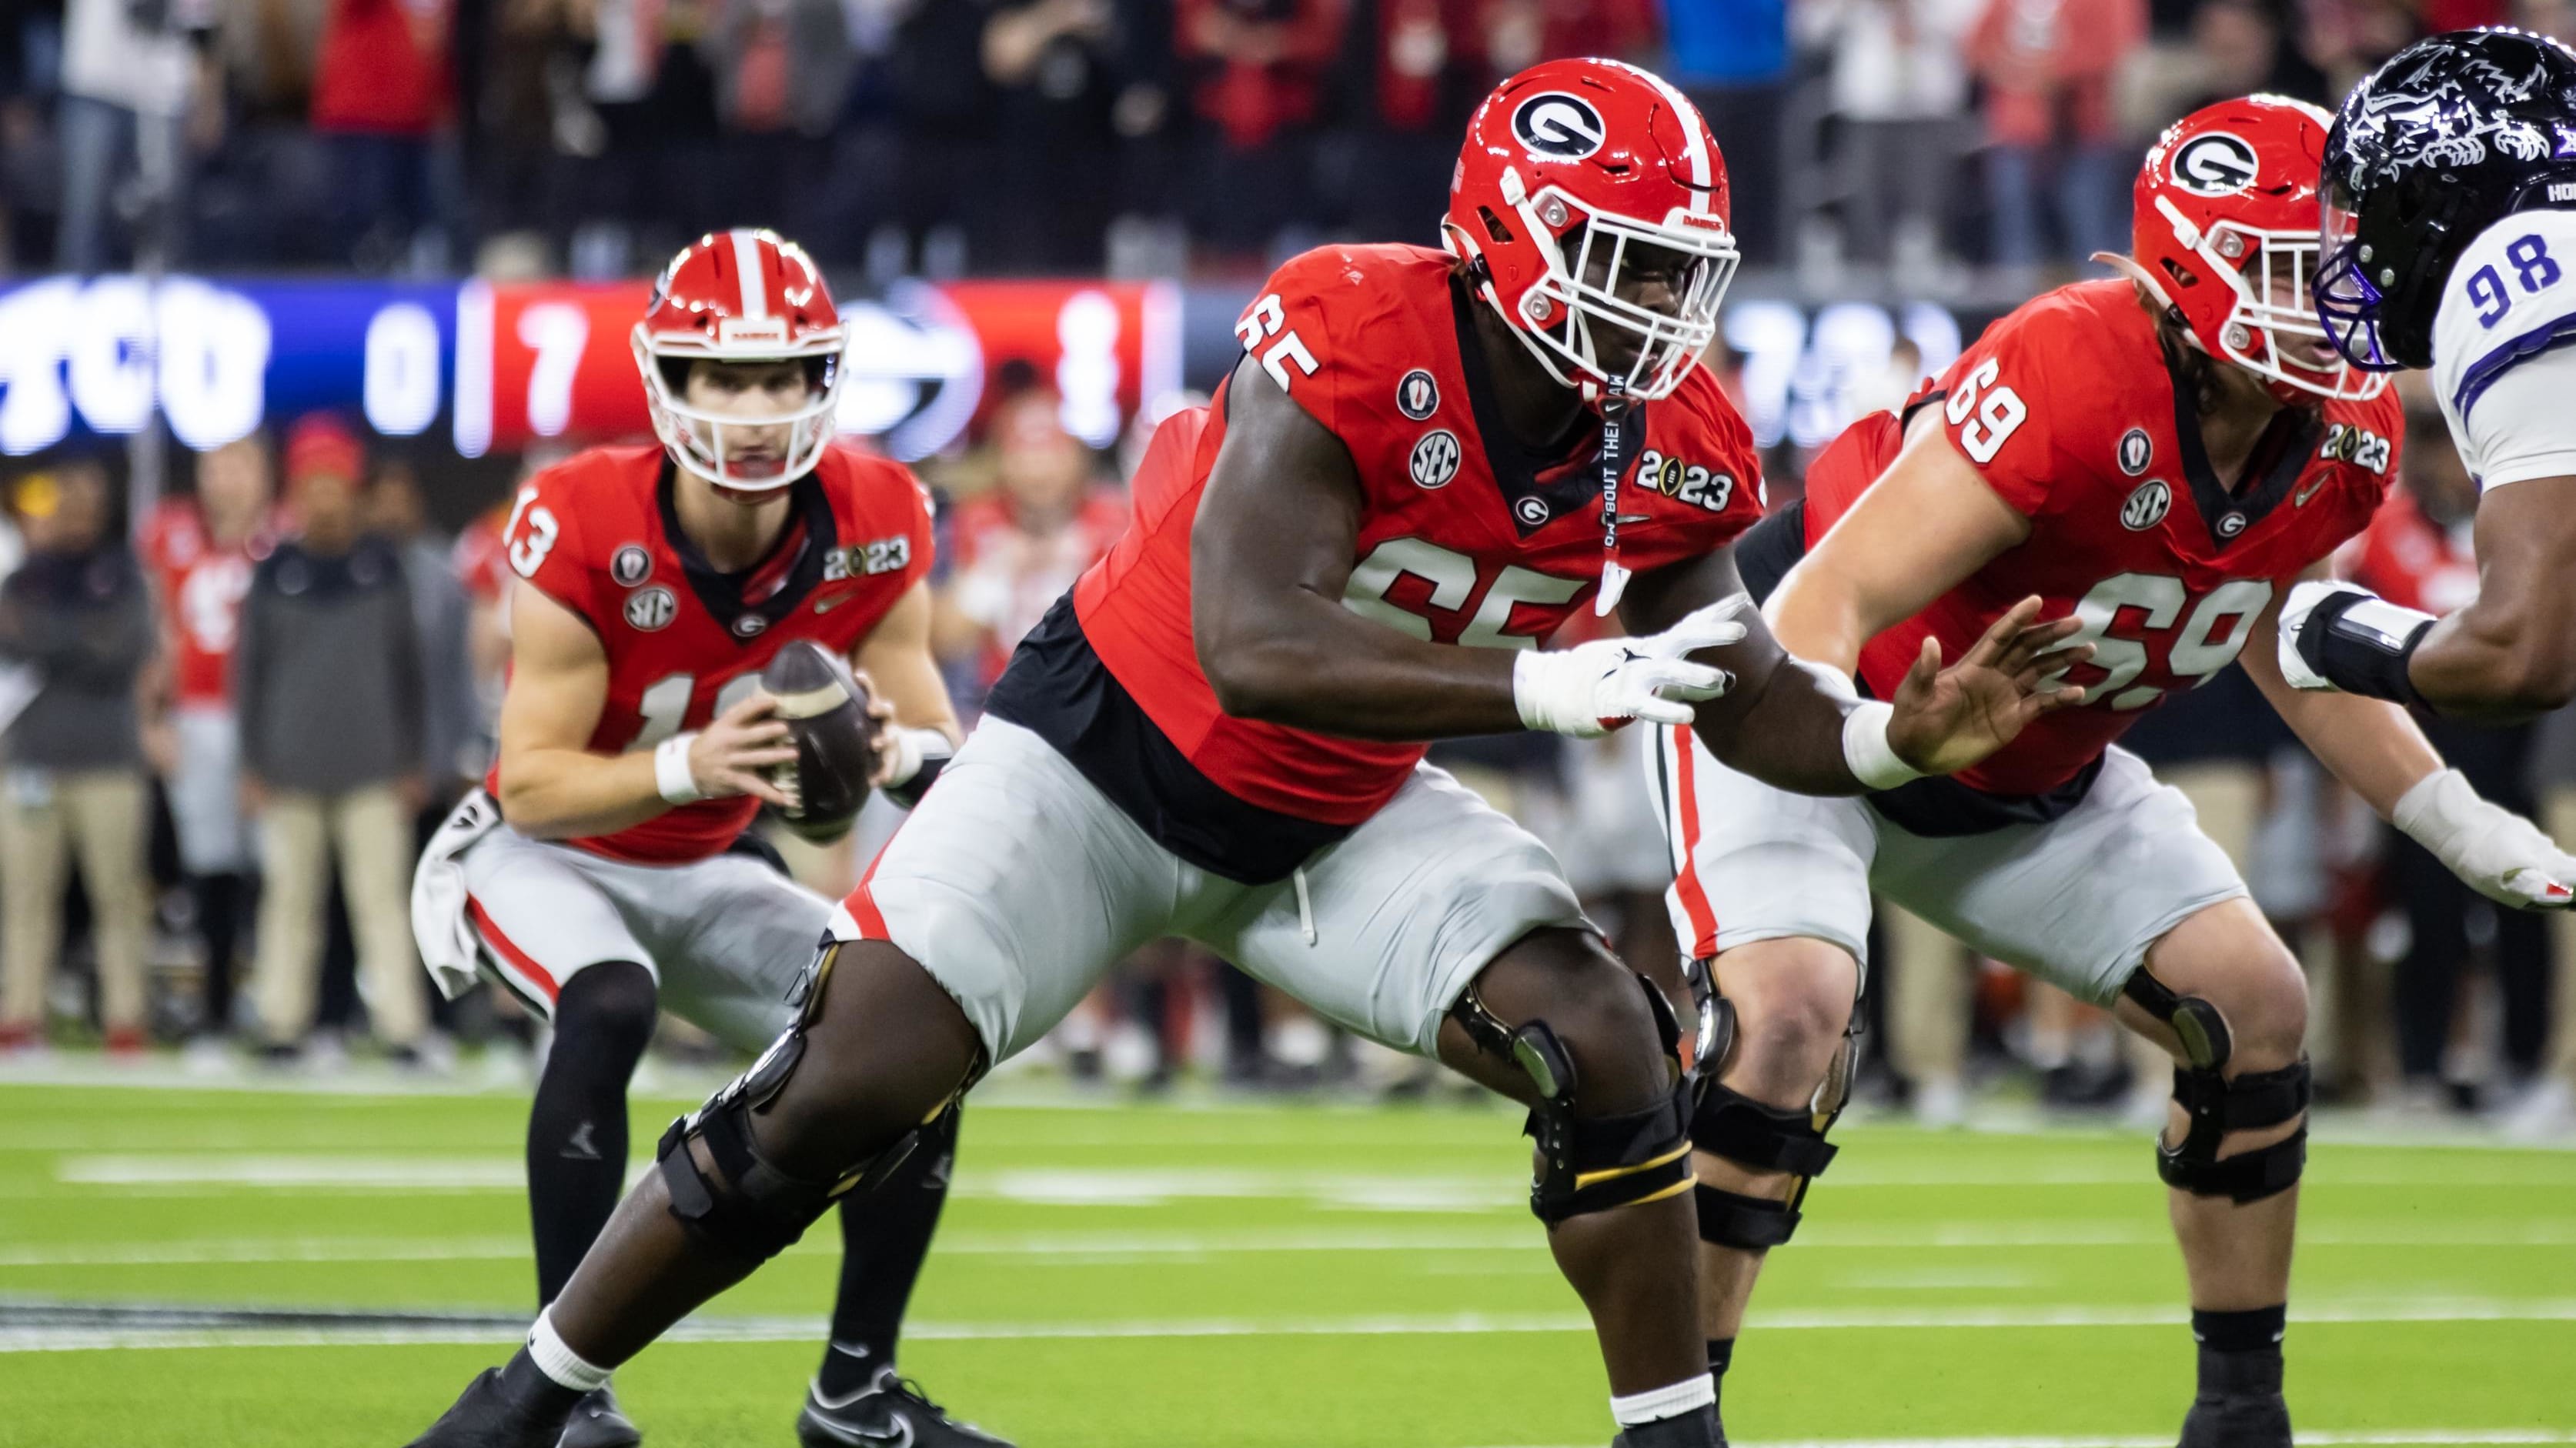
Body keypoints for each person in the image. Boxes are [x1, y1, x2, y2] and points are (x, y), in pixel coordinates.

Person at [406, 59, 2084, 1448]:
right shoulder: (1350, 327)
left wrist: (1878, 734)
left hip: (1331, 820)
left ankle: (1670, 1433)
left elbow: (1731, 678)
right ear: (1501, 234)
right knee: (838, 1087)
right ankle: (527, 1397)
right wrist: (1547, 680)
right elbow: (1256, 640)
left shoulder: (1672, 435)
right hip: (1103, 759)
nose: (1651, 302)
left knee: (1605, 1039)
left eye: (1671, 265)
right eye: (1614, 254)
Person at [1653, 95, 2576, 1448]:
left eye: (2339, 261)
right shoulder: (2075, 367)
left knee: (2258, 1009)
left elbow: (2279, 633)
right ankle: (1678, 1420)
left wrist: (2453, 818)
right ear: (2193, 269)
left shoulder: (2348, 429)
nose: (2329, 299)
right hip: (1813, 722)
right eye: (2285, 267)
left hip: (2030, 770)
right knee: (1788, 1018)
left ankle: (2240, 1416)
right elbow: (1820, 603)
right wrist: (1875, 743)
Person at [406, 230, 1002, 1448]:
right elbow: (530, 785)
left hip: (708, 864)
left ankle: (855, 1386)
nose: (753, 408)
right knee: (612, 1001)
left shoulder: (877, 510)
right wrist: (693, 761)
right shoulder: (583, 512)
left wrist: (889, 747)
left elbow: (934, 744)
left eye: (781, 377)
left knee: (915, 1035)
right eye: (723, 377)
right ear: (667, 382)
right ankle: (567, 1392)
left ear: (823, 381)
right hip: (539, 855)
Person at [2290, 28, 2576, 726]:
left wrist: (2328, 635)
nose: (2357, 249)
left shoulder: (2521, 263)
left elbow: (2518, 657)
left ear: (2436, 197)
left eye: (2375, 210)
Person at [236, 416, 433, 1063]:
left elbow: (410, 670)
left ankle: (402, 1029)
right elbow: (251, 673)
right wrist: (252, 761)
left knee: (381, 904)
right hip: (289, 766)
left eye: (334, 483)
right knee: (288, 905)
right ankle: (280, 1024)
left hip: (375, 764)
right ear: (295, 492)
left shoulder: (384, 568)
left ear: (353, 490)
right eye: (312, 484)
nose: (324, 497)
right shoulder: (273, 573)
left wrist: (412, 758)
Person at [0, 462, 156, 1056]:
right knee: (25, 899)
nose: (75, 516)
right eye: (66, 503)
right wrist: (83, 639)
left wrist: (54, 641)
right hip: (34, 758)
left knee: (117, 896)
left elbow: (124, 650)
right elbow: (12, 640)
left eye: (87, 504)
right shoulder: (24, 578)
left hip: (109, 761)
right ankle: (20, 1016)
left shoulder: (123, 576)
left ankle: (124, 1019)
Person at [141, 435, 274, 1050]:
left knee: (277, 871)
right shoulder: (172, 535)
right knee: (210, 868)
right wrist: (151, 720)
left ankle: (276, 1005)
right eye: (215, 469)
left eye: (238, 467)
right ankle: (215, 1011)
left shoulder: (284, 540)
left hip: (270, 720)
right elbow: (156, 635)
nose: (226, 482)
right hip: (198, 716)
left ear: (263, 474)